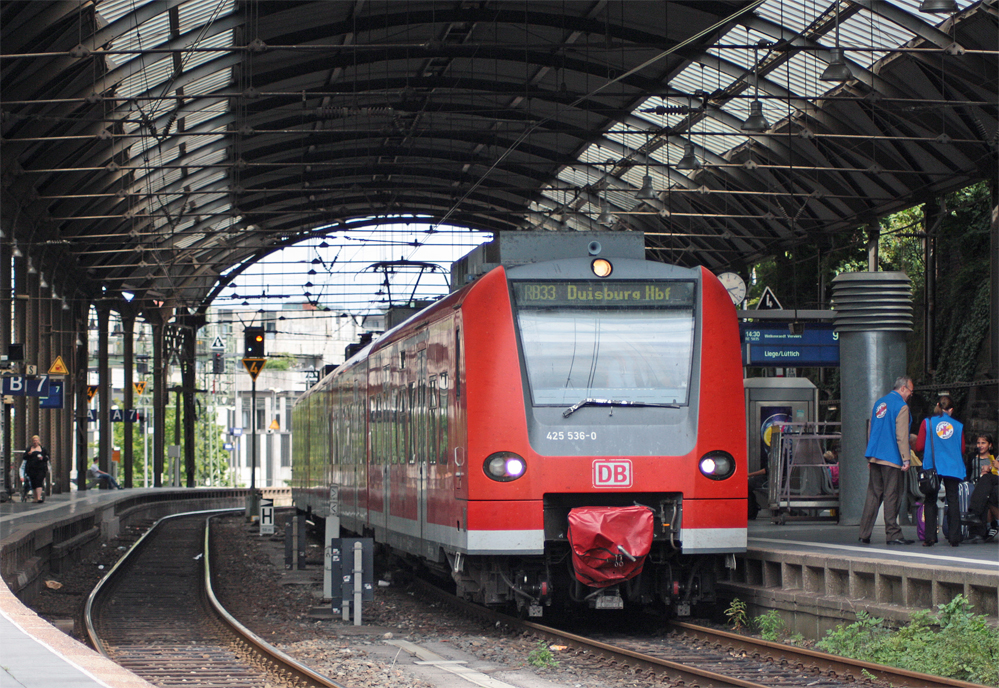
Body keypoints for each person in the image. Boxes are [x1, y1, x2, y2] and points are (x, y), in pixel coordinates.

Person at [859, 376, 915, 545]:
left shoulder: (879, 403)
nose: (910, 395)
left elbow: (871, 429)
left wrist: (870, 454)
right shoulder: (901, 406)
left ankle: (864, 533)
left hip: (875, 455)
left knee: (873, 494)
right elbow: (901, 435)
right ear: (903, 388)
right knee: (892, 494)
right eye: (910, 391)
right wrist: (906, 459)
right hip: (891, 457)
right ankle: (893, 533)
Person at [911, 398, 965, 547]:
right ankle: (954, 537)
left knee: (930, 500)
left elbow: (920, 446)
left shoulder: (927, 423)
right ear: (951, 410)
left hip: (933, 466)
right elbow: (962, 449)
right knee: (953, 500)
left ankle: (930, 537)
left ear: (938, 407)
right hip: (953, 467)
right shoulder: (958, 426)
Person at [966, 434, 998, 541]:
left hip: (990, 483)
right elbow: (968, 473)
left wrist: (993, 468)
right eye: (978, 443)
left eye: (983, 443)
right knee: (988, 495)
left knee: (987, 479)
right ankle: (991, 527)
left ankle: (976, 514)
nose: (980, 445)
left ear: (990, 445)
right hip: (978, 483)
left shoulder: (994, 457)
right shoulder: (972, 456)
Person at [22, 435, 50, 504]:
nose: (35, 442)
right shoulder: (29, 449)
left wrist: (42, 458)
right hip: (31, 469)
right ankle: (35, 498)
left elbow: (47, 457)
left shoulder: (43, 449)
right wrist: (28, 454)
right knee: (33, 482)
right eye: (34, 440)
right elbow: (24, 457)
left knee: (39, 481)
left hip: (40, 468)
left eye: (36, 440)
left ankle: (38, 497)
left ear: (39, 441)